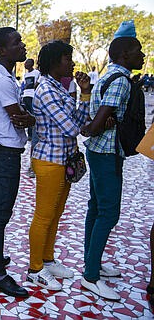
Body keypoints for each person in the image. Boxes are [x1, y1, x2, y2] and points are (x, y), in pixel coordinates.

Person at [80, 21, 145, 300]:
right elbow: (95, 125)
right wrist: (93, 127)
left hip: (100, 150)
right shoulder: (120, 81)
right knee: (109, 212)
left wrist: (95, 127)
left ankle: (91, 265)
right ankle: (91, 277)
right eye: (137, 51)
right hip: (106, 152)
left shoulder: (109, 75)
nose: (142, 56)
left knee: (96, 208)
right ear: (123, 55)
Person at [26, 41, 91, 291]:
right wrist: (83, 120)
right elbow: (74, 127)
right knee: (43, 215)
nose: (71, 63)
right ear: (54, 62)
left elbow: (78, 119)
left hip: (63, 159)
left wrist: (85, 94)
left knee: (56, 213)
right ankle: (34, 269)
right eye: (67, 58)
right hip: (49, 160)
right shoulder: (47, 90)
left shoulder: (59, 88)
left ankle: (47, 259)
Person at [0, 27, 32, 298]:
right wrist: (31, 118)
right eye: (17, 43)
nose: (22, 46)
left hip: (4, 150)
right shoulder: (1, 81)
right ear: (2, 50)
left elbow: (20, 114)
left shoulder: (6, 76)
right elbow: (19, 116)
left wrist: (26, 116)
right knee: (1, 212)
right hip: (4, 152)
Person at [22, 58, 41, 178]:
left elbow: (36, 84)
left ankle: (34, 166)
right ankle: (32, 166)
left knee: (35, 124)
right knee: (32, 123)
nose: (25, 65)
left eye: (27, 63)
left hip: (34, 98)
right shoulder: (26, 74)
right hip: (26, 97)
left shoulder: (37, 74)